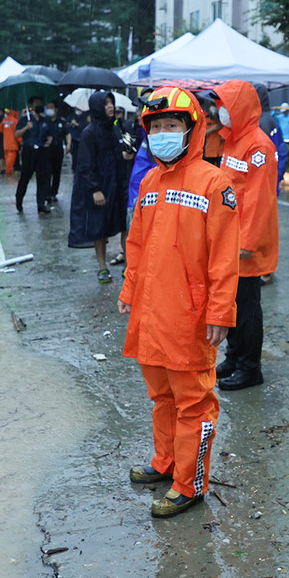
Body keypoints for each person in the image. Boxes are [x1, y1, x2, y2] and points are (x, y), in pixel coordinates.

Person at [118, 85, 240, 518]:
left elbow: (225, 258)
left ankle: (190, 484)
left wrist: (221, 313)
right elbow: (137, 244)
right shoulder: (150, 181)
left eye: (171, 125)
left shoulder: (215, 183)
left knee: (193, 402)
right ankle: (165, 463)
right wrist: (129, 290)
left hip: (190, 316)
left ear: (191, 130)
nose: (161, 133)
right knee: (162, 397)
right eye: (155, 126)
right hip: (151, 315)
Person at [212, 80, 280, 392]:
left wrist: (246, 243)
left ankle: (250, 368)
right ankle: (234, 356)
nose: (219, 111)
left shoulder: (258, 146)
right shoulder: (232, 140)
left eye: (224, 105)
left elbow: (258, 200)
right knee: (233, 303)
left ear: (239, 107)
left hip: (246, 245)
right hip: (230, 239)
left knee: (248, 309)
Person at [69, 91, 129, 283]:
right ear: (97, 107)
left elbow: (119, 154)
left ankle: (129, 266)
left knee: (123, 225)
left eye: (111, 103)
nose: (110, 106)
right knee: (99, 228)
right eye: (106, 104)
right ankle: (102, 267)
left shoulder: (115, 128)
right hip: (100, 186)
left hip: (118, 184)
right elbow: (84, 165)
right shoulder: (89, 133)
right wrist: (95, 189)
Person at [15, 95, 54, 214]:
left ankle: (41, 205)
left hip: (42, 151)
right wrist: (26, 127)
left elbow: (51, 133)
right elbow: (16, 134)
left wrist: (50, 139)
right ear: (31, 105)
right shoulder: (25, 119)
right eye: (36, 103)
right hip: (29, 151)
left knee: (43, 178)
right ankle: (19, 200)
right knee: (25, 177)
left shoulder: (45, 120)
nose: (38, 105)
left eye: (40, 103)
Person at [0, 109, 20, 176]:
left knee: (7, 158)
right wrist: (21, 141)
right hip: (13, 144)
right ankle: (8, 172)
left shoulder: (4, 120)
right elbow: (17, 133)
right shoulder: (15, 121)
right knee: (10, 160)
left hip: (6, 143)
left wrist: (6, 132)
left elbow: (0, 128)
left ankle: (8, 171)